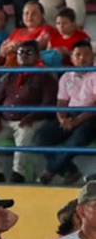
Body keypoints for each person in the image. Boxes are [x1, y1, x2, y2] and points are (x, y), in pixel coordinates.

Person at [0, 40, 59, 182]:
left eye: (29, 53)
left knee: (26, 131)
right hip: (6, 121)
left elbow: (49, 104)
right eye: (21, 53)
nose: (24, 56)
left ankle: (19, 173)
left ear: (38, 56)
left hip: (33, 120)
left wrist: (31, 118)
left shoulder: (47, 76)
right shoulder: (10, 76)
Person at [37, 39, 96, 182]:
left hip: (90, 117)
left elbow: (94, 104)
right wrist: (62, 118)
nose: (82, 58)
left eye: (86, 54)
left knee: (76, 140)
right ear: (71, 57)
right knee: (41, 137)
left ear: (93, 57)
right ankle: (70, 170)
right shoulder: (66, 76)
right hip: (69, 115)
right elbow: (61, 102)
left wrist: (76, 121)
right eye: (78, 54)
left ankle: (51, 170)